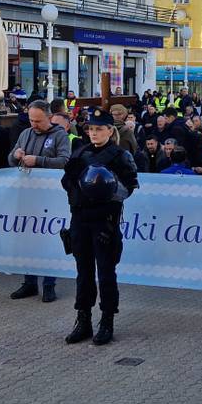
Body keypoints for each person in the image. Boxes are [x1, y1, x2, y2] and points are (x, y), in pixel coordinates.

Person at [61, 108, 138, 345]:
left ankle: (106, 321)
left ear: (109, 130)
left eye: (98, 129)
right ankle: (83, 320)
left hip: (105, 222)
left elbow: (129, 187)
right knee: (83, 272)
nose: (93, 133)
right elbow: (68, 183)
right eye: (91, 129)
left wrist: (105, 194)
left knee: (105, 272)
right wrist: (74, 184)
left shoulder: (119, 155)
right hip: (80, 219)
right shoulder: (80, 152)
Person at [8, 100, 72, 303]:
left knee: (47, 239)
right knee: (28, 239)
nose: (33, 124)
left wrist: (38, 161)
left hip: (49, 197)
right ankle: (29, 282)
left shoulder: (60, 135)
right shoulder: (25, 133)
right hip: (27, 195)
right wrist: (14, 155)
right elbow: (11, 158)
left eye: (38, 120)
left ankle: (49, 284)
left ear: (49, 117)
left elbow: (65, 161)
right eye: (31, 120)